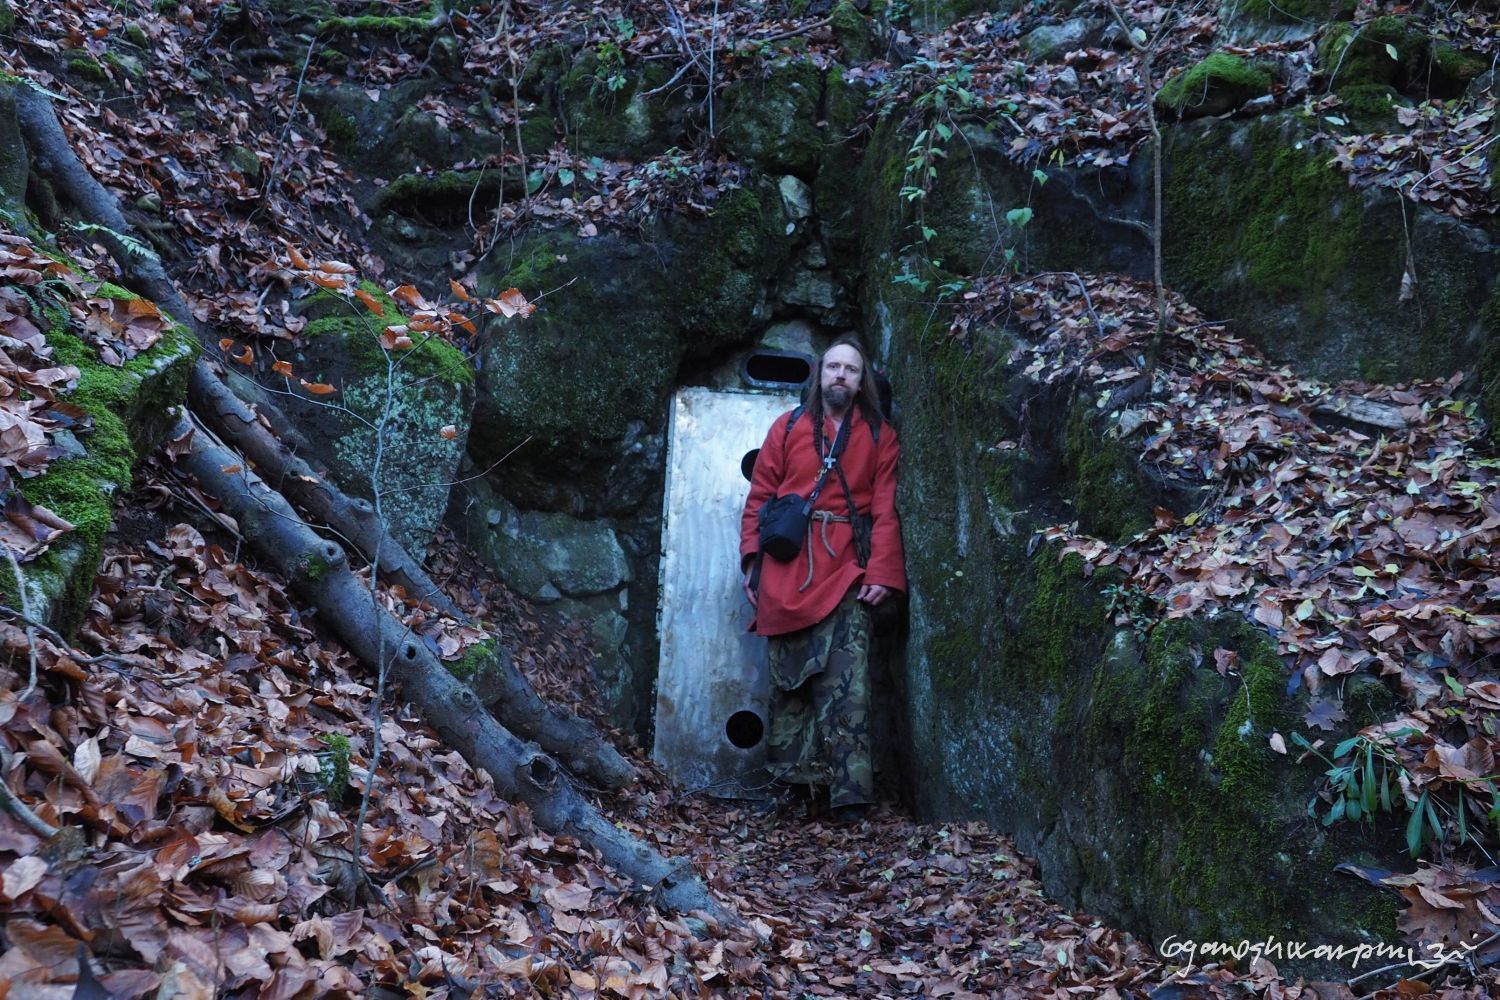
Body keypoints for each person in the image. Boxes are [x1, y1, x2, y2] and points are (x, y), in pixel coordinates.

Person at [739, 337, 906, 821]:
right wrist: (752, 560)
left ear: (861, 381)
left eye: (850, 370)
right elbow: (760, 499)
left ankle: (850, 797)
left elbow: (884, 510)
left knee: (849, 683)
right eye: (833, 366)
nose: (840, 375)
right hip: (786, 568)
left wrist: (882, 572)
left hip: (847, 569)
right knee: (789, 683)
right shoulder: (787, 427)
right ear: (818, 374)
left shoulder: (880, 436)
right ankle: (793, 791)